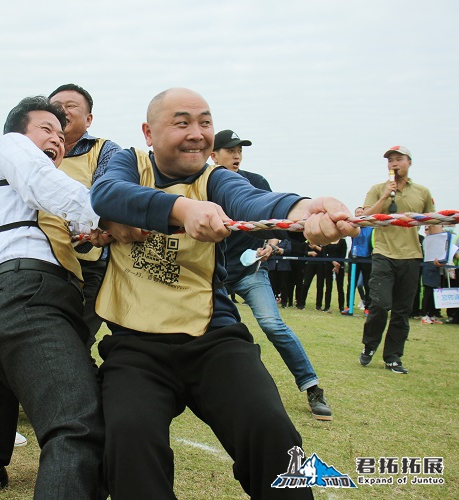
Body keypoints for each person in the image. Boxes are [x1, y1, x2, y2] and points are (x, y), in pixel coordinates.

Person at [89, 88, 357, 499]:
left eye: (205, 122)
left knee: (273, 431)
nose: (197, 133)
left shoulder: (217, 179)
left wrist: (302, 210)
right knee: (129, 441)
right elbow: (106, 194)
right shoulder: (128, 162)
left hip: (214, 338)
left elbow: (253, 201)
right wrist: (181, 210)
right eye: (182, 123)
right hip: (135, 347)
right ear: (148, 132)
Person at [0, 97, 105, 499]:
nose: (57, 141)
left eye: (62, 137)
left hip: (20, 296)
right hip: (26, 291)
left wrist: (92, 231)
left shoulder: (33, 191)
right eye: (46, 129)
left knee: (1, 377)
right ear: (20, 132)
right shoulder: (12, 147)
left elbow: (68, 222)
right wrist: (118, 216)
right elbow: (54, 190)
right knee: (77, 424)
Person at [211, 129, 332, 421]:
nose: (237, 155)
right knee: (216, 333)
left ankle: (312, 387)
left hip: (251, 271)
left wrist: (272, 243)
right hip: (214, 274)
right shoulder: (202, 186)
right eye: (230, 150)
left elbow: (273, 223)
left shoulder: (256, 183)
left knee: (272, 324)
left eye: (240, 149)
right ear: (213, 155)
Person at [49, 83, 121, 345]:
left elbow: (102, 200)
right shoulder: (32, 154)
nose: (62, 111)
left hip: (88, 263)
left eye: (71, 106)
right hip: (44, 262)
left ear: (89, 119)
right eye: (56, 107)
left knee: (77, 338)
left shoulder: (105, 150)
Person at [359, 145, 438, 374]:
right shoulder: (377, 189)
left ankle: (393, 357)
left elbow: (432, 224)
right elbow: (365, 218)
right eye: (390, 160)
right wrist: (385, 195)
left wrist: (438, 254)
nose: (394, 163)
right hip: (384, 253)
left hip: (412, 256)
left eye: (398, 159)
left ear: (409, 162)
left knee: (402, 311)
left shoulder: (422, 192)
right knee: (381, 305)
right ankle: (369, 345)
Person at [341, 207, 373, 315]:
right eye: (357, 213)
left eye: (361, 212)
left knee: (368, 284)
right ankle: (349, 306)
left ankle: (367, 307)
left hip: (367, 257)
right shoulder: (353, 227)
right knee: (351, 283)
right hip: (354, 257)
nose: (359, 214)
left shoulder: (371, 227)